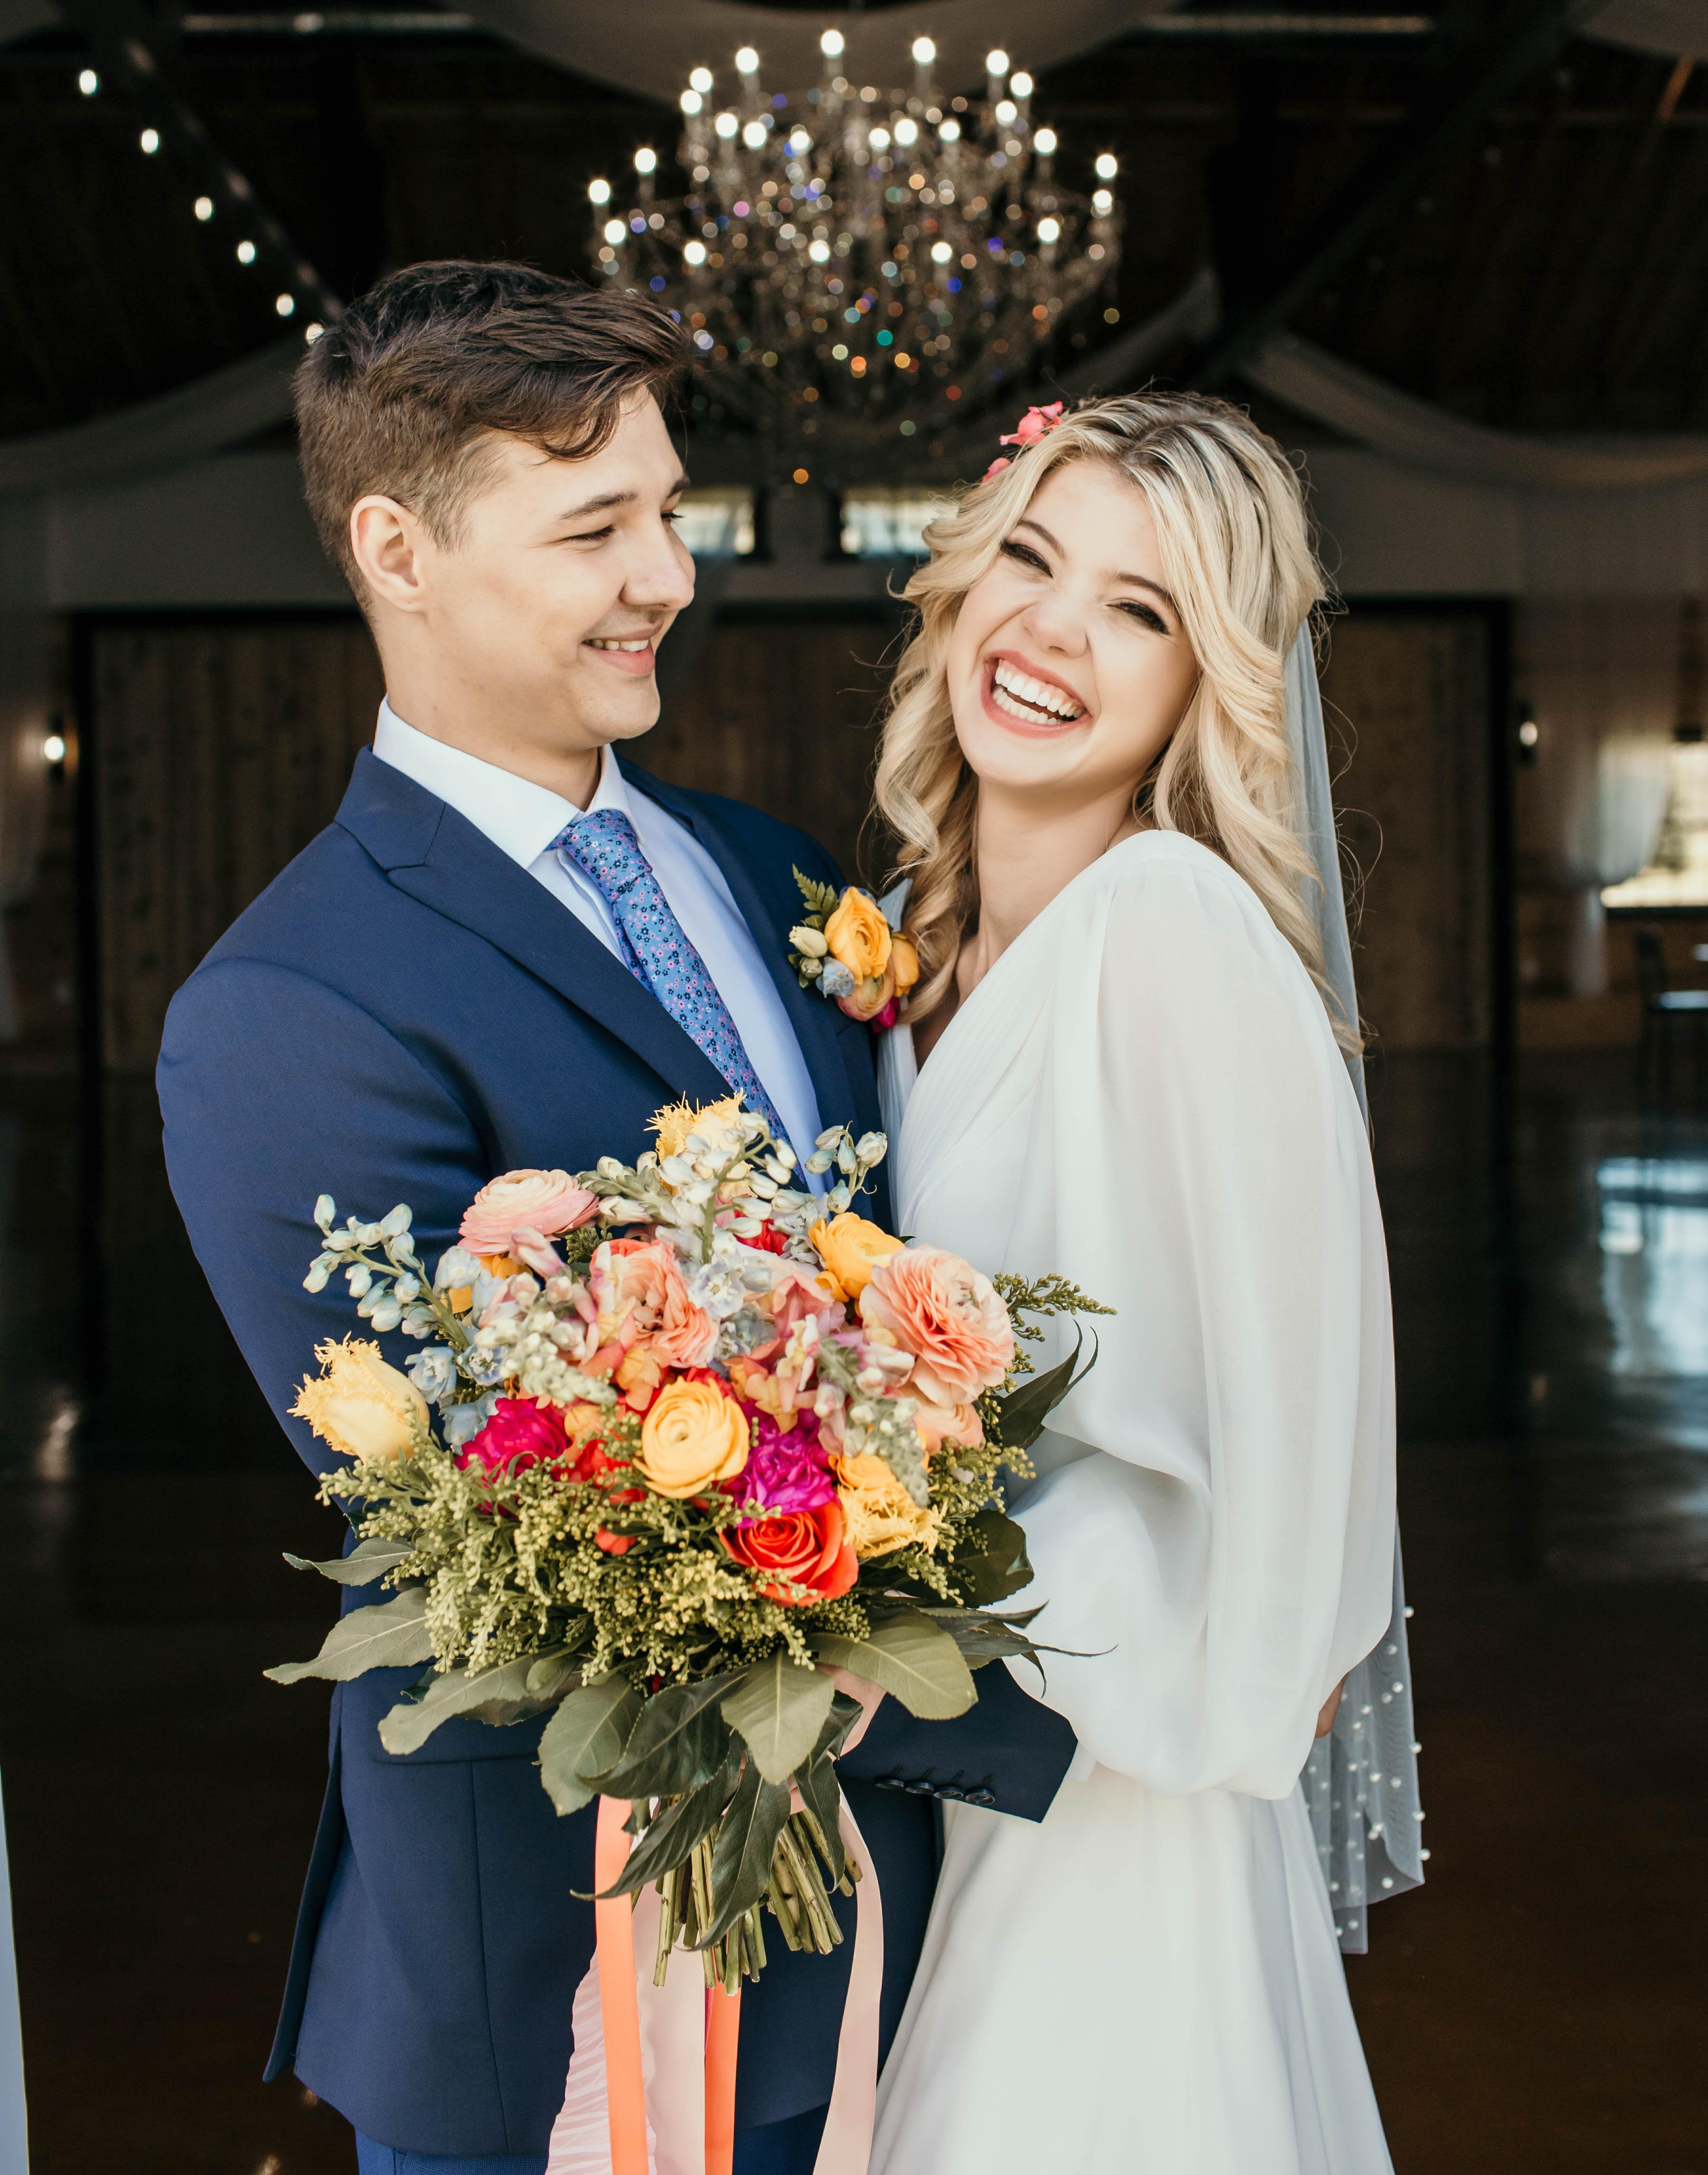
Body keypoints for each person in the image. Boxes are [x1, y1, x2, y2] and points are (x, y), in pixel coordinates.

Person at [156, 260, 1076, 2175]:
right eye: (594, 530)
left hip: (895, 1924)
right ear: (398, 550)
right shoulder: (290, 1004)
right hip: (559, 1988)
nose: (665, 576)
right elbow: (486, 1507)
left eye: (671, 512)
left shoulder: (772, 870)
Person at [865, 392, 1399, 2174]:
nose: (1049, 631)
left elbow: (1290, 1464)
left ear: (1203, 688)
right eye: (1031, 559)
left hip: (1116, 1817)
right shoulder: (916, 945)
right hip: (945, 1796)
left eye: (1137, 610)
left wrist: (893, 1602)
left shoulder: (1174, 928)